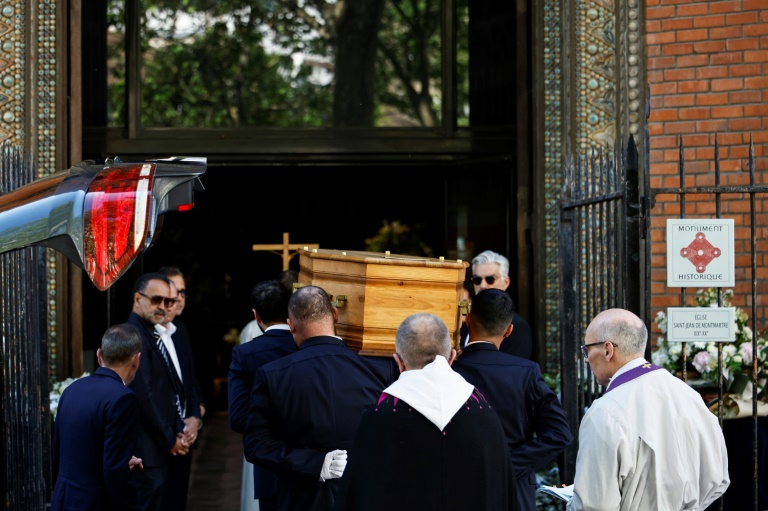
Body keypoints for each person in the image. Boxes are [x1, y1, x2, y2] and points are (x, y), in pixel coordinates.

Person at [333, 313, 518, 511]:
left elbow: (357, 495)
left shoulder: (380, 417)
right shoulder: (484, 413)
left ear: (399, 362)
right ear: (452, 357)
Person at [243, 285, 393, 511]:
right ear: (334, 315)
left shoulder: (273, 375)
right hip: (364, 496)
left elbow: (257, 445)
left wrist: (315, 463)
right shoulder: (381, 369)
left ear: (291, 325)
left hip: (301, 499)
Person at [567, 308, 730, 510]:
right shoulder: (688, 395)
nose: (586, 358)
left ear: (608, 350)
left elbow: (595, 505)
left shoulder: (605, 412)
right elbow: (719, 479)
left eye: (587, 349)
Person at [452, 289, 571, 511]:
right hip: (512, 491)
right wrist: (508, 464)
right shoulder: (526, 373)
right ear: (508, 330)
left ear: (467, 319)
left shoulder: (449, 371)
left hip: (457, 488)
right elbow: (559, 434)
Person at [51, 323, 144, 511]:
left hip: (64, 499)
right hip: (96, 503)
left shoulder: (71, 390)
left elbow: (59, 453)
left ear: (99, 355)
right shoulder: (123, 398)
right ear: (136, 360)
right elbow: (114, 471)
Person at [229, 279, 298, 511]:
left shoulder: (245, 354)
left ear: (256, 315)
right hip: (311, 461)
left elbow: (238, 418)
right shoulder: (307, 346)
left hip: (268, 461)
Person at [127, 272, 191, 511]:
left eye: (168, 301)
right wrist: (170, 438)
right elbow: (145, 396)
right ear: (137, 299)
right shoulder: (133, 334)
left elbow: (173, 388)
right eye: (156, 300)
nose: (163, 307)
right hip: (147, 451)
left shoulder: (153, 332)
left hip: (159, 448)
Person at [156, 266, 204, 511]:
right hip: (162, 439)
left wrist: (195, 417)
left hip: (185, 435)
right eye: (175, 293)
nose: (180, 299)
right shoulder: (146, 334)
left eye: (183, 293)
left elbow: (190, 380)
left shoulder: (180, 330)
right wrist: (173, 432)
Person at [460, 249, 533, 359]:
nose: (483, 285)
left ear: (506, 282)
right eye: (477, 280)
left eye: (490, 279)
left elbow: (511, 371)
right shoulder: (464, 319)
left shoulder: (518, 327)